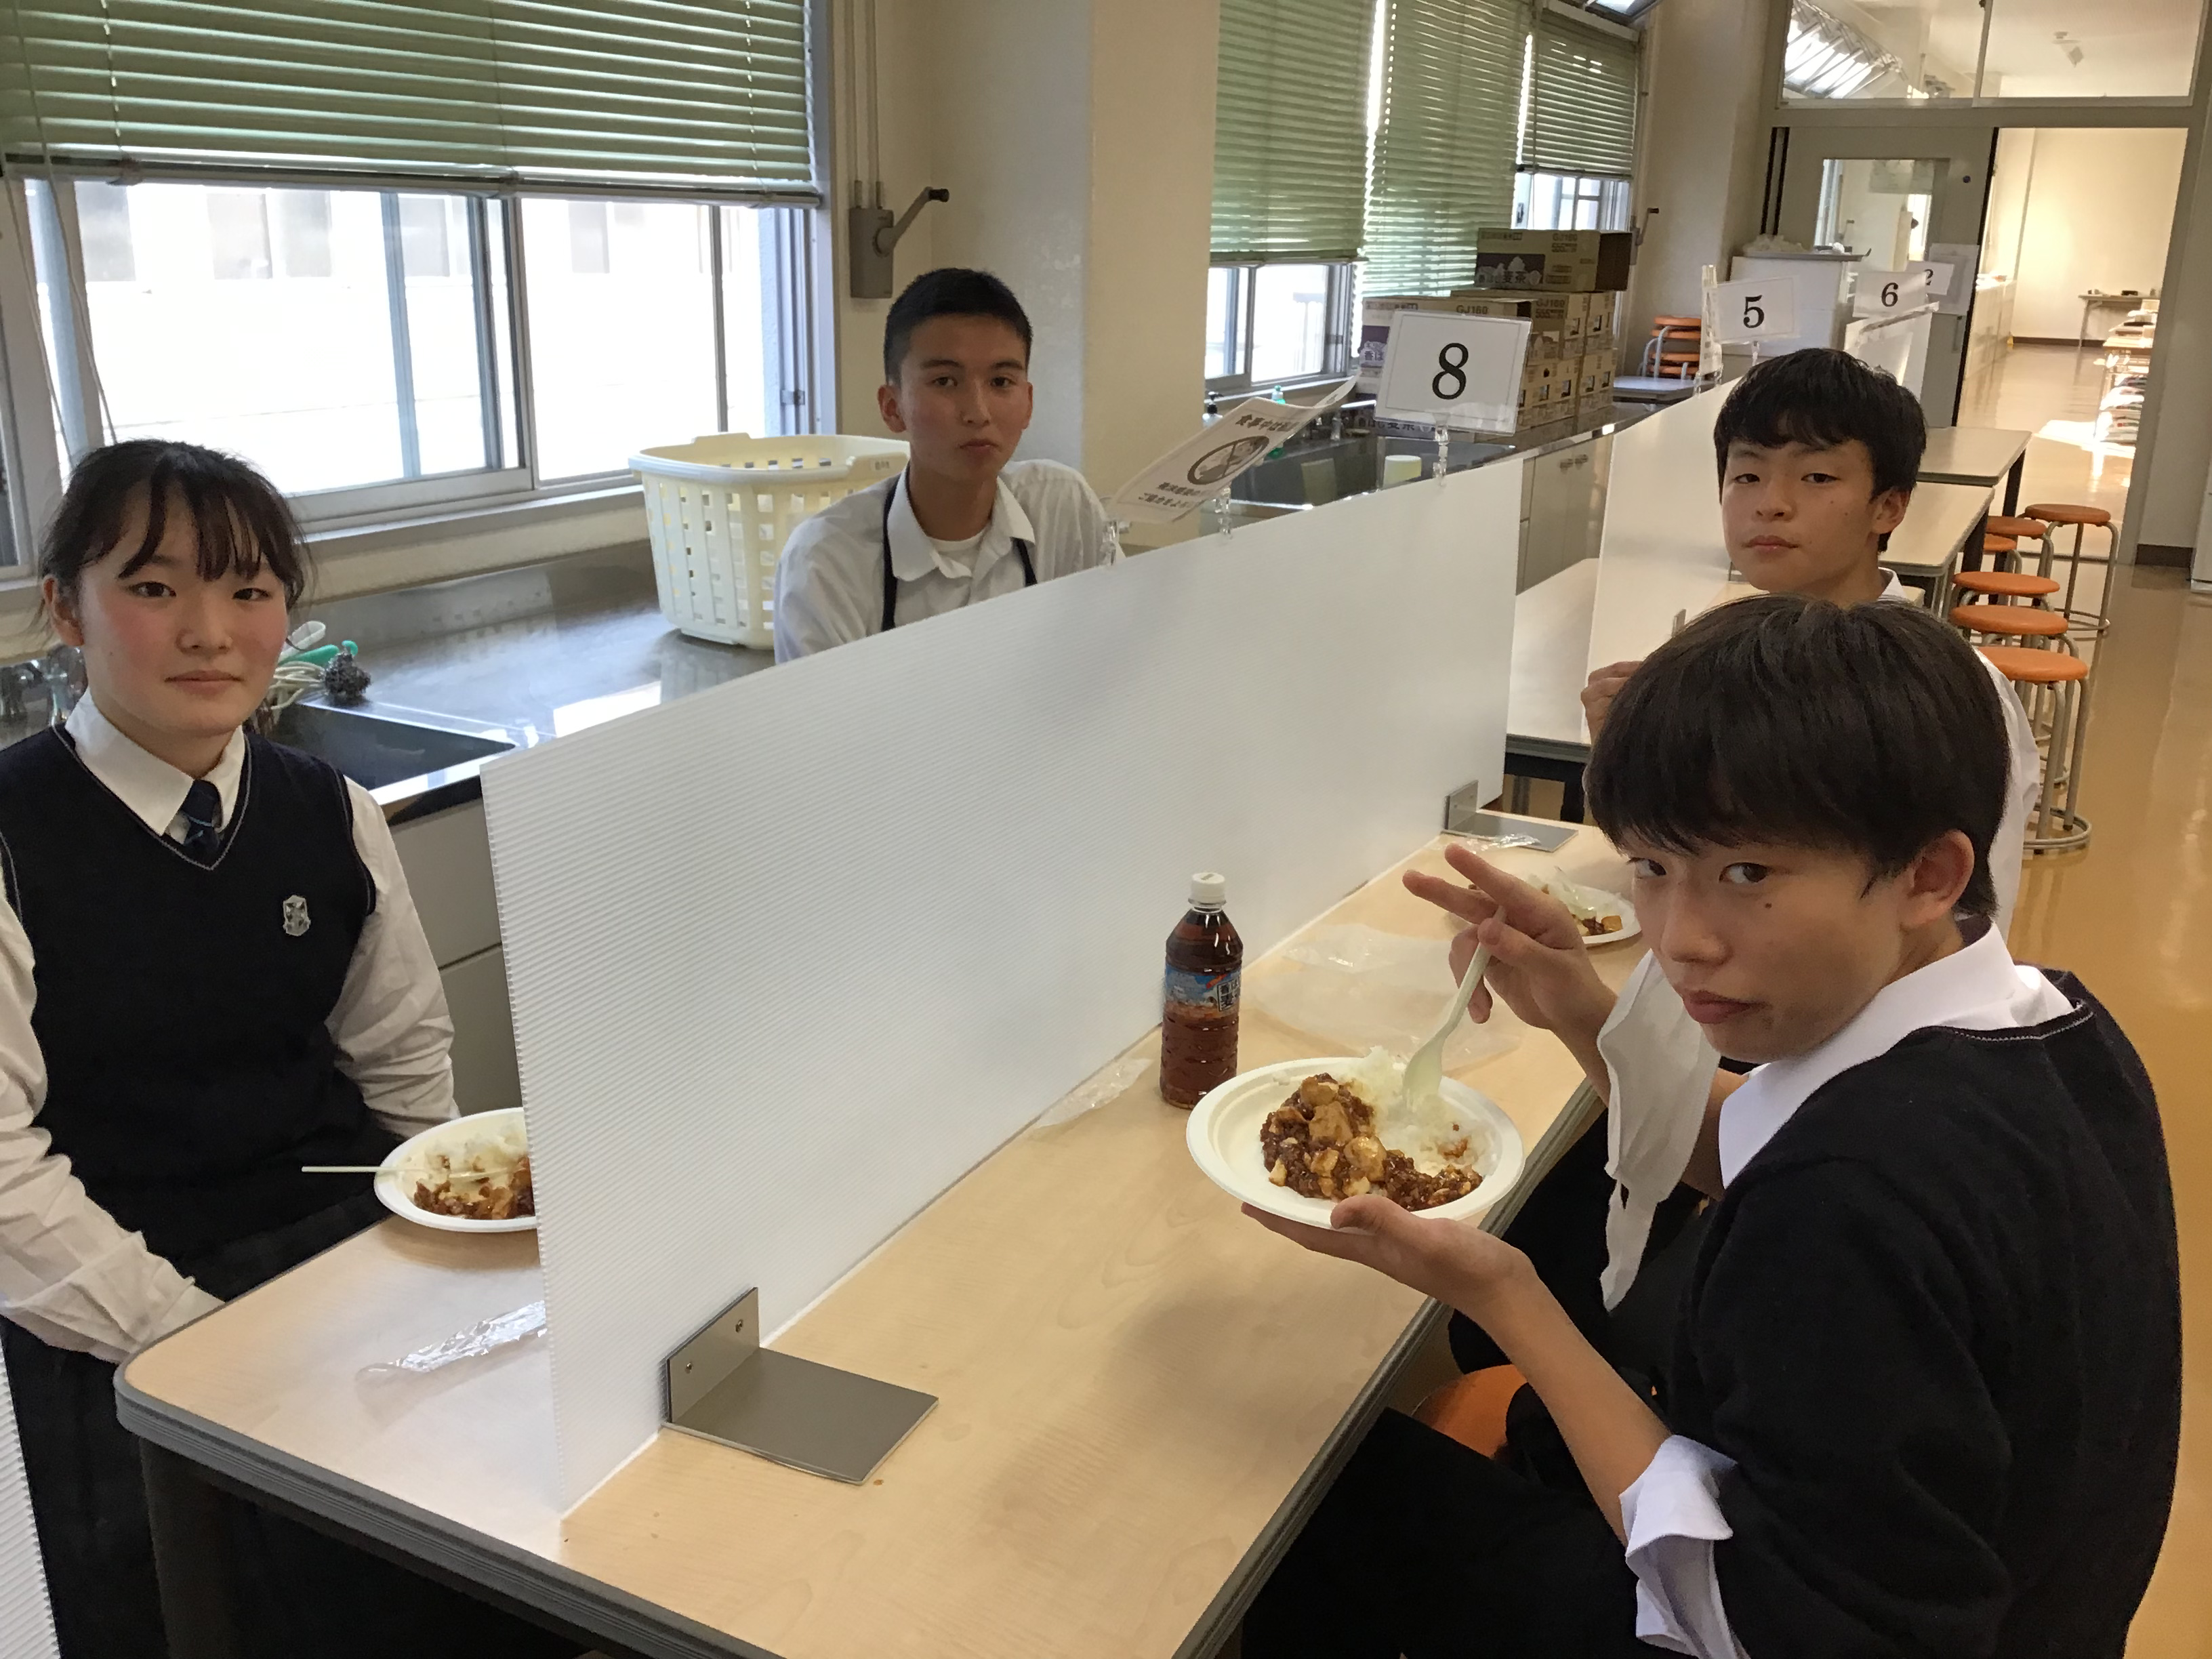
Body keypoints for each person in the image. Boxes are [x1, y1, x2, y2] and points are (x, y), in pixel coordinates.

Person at [1243, 595, 2180, 1659]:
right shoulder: (2051, 1027)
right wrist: (1576, 1007)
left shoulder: (1851, 1203)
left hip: (1774, 1615)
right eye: (1652, 866)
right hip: (2021, 1594)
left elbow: (1761, 1621)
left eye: (1748, 874)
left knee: (1305, 1509)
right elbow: (1770, 1151)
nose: (1680, 939)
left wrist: (1505, 1296)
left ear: (1928, 874)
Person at [0, 441, 575, 1657]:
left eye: (249, 589)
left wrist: (445, 1260)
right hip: (118, 1307)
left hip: (338, 1254)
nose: (210, 631)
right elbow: (4, 1175)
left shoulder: (328, 808)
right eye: (154, 587)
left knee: (470, 1572)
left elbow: (404, 1067)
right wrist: (191, 1340)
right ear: (66, 608)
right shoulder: (14, 836)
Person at [1582, 348, 2040, 932]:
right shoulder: (1725, 661)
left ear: (1889, 506)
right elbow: (1700, 858)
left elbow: (1968, 923)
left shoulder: (1946, 692)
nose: (1770, 504)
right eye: (1747, 476)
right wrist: (1632, 759)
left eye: (1817, 477)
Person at [772, 267, 1121, 661]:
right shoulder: (826, 563)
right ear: (892, 407)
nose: (978, 412)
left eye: (1001, 382)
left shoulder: (1062, 508)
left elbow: (1113, 656)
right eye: (945, 382)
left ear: (1028, 403)